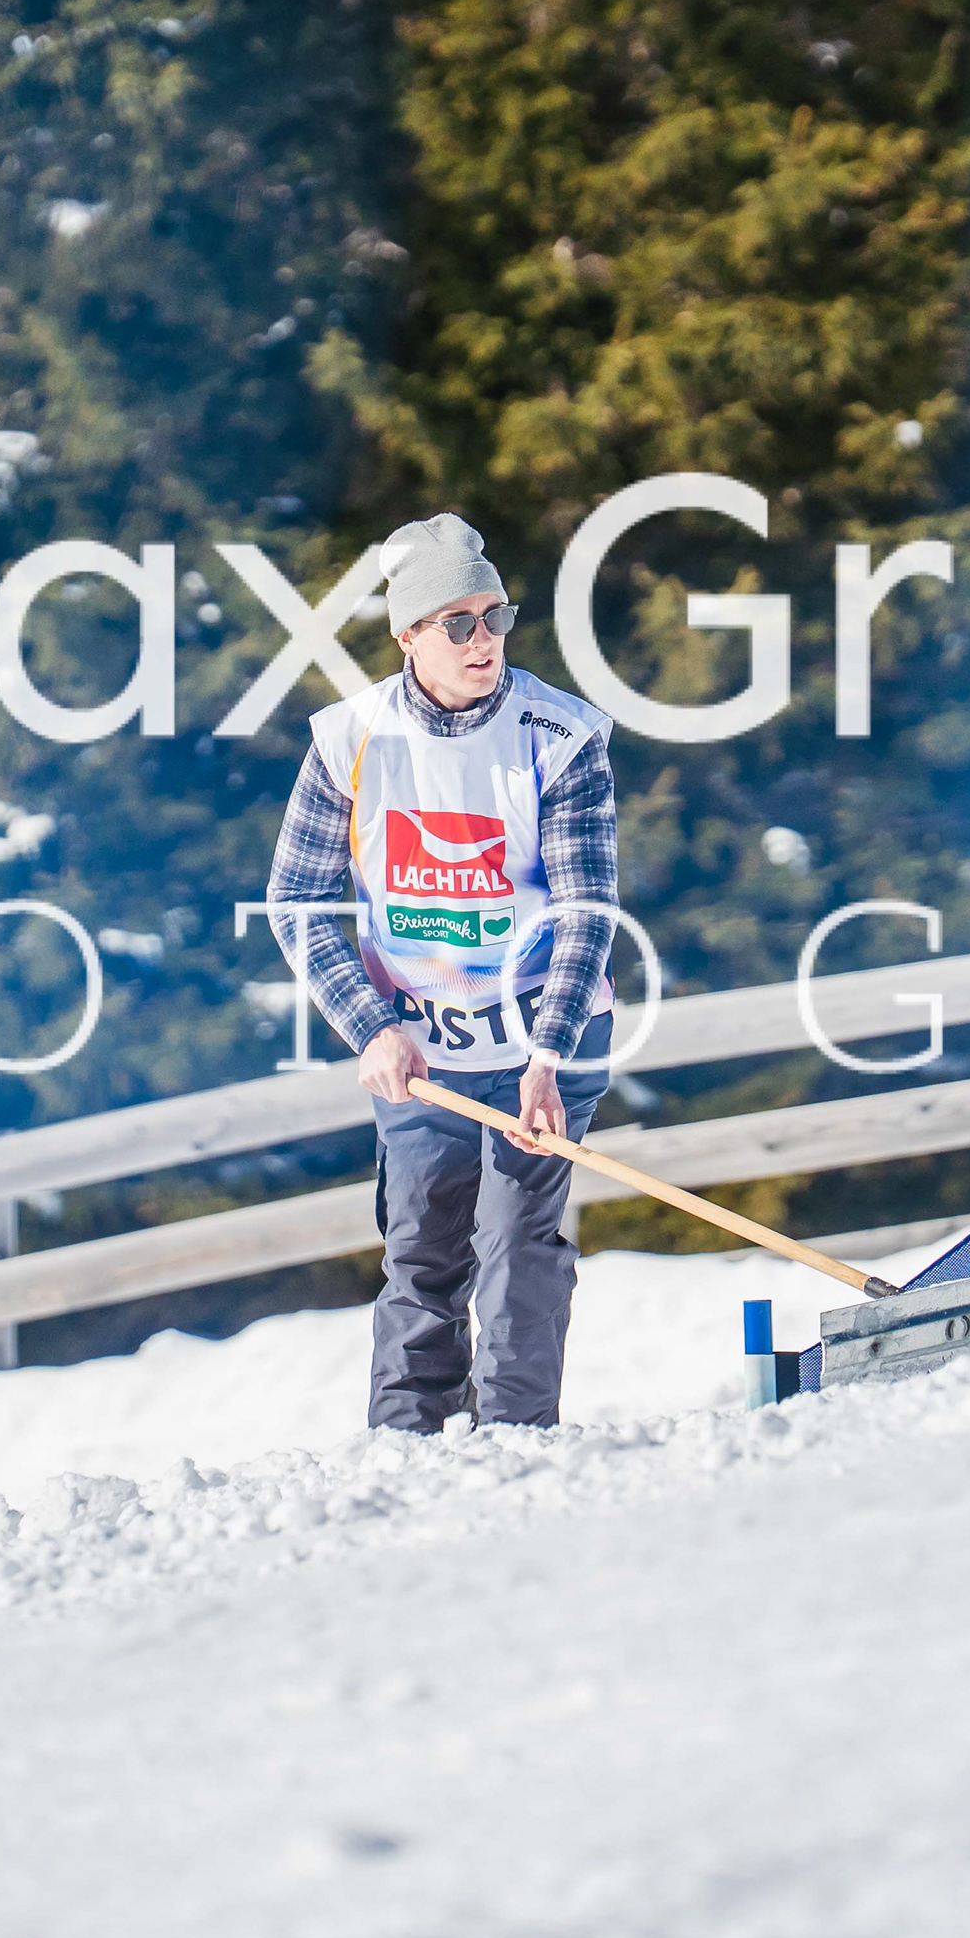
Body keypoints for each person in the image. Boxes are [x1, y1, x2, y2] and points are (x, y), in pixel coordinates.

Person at [262, 513, 620, 1432]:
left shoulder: (560, 734)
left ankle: (515, 1447)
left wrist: (547, 1057)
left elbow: (586, 909)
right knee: (423, 1248)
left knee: (517, 1247)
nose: (482, 640)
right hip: (422, 1047)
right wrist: (369, 1027)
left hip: (545, 1037)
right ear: (408, 637)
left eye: (495, 616)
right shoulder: (349, 740)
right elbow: (297, 899)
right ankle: (407, 1452)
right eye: (457, 623)